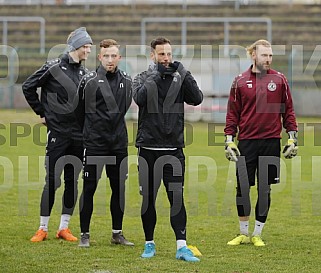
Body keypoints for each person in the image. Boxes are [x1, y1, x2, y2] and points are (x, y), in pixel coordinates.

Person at [133, 37, 203, 262]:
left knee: (176, 198)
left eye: (169, 54)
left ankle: (181, 246)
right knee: (148, 200)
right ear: (152, 55)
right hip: (148, 149)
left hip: (173, 149)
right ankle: (149, 243)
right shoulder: (143, 77)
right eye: (161, 54)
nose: (166, 58)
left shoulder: (179, 77)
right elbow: (140, 98)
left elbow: (197, 99)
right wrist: (155, 75)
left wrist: (184, 73)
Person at [224, 39, 298, 247]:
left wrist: (292, 137)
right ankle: (243, 233)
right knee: (242, 188)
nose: (268, 59)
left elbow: (288, 111)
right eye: (264, 55)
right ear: (253, 55)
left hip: (271, 142)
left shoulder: (280, 80)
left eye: (270, 55)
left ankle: (257, 233)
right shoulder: (239, 81)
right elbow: (233, 114)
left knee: (265, 189)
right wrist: (229, 140)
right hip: (246, 142)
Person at [22, 27, 92, 242]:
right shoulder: (53, 67)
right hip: (58, 134)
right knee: (52, 181)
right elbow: (28, 86)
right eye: (87, 46)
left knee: (72, 181)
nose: (89, 50)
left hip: (78, 137)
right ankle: (42, 228)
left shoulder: (85, 74)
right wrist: (42, 113)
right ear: (77, 46)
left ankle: (64, 228)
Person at [78, 39, 134, 247]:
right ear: (99, 57)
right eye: (106, 56)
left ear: (119, 58)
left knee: (118, 188)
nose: (110, 60)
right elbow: (79, 112)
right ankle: (85, 234)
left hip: (118, 144)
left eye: (114, 56)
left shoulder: (128, 81)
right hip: (94, 144)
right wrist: (89, 134)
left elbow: (125, 108)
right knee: (89, 188)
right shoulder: (89, 81)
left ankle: (117, 233)